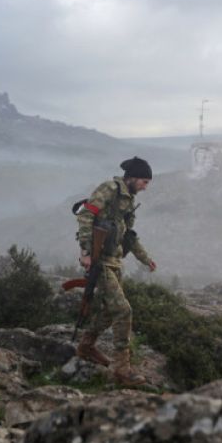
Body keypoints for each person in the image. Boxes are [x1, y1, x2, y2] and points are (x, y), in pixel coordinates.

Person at [74, 156, 157, 385]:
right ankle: (122, 369)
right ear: (131, 178)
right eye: (143, 181)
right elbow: (85, 214)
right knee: (123, 310)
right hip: (99, 260)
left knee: (111, 311)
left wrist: (145, 259)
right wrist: (86, 251)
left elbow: (129, 235)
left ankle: (86, 347)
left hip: (115, 260)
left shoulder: (129, 201)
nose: (145, 186)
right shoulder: (109, 189)